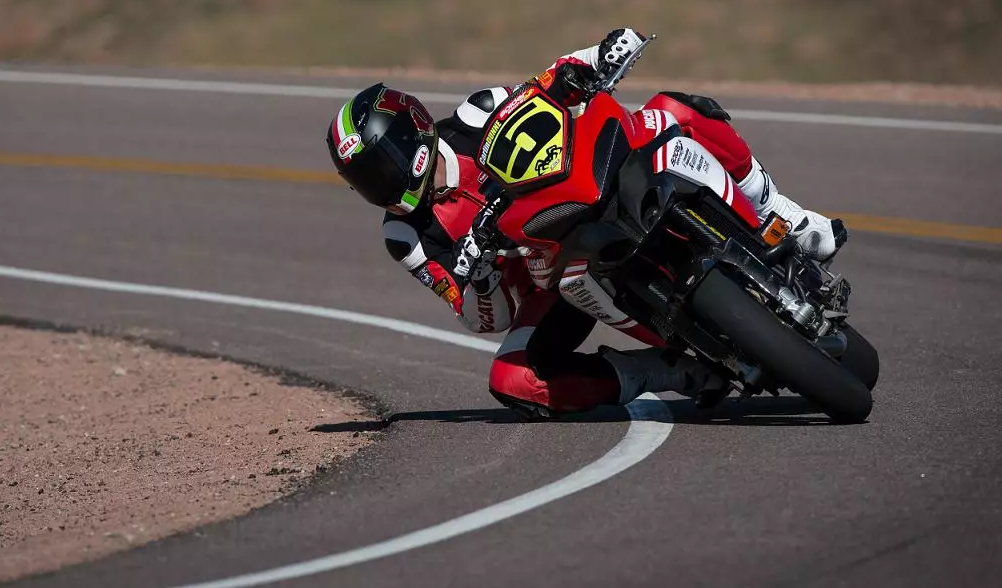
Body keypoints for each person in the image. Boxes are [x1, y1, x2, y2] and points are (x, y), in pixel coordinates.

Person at [326, 28, 843, 418]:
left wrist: (599, 56)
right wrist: (480, 277)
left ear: (413, 128)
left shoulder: (474, 114)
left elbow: (541, 89)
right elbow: (484, 320)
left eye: (384, 163)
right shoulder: (403, 235)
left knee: (674, 109)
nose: (383, 184)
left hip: (591, 182)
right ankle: (666, 370)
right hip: (551, 278)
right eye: (367, 179)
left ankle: (783, 213)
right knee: (511, 380)